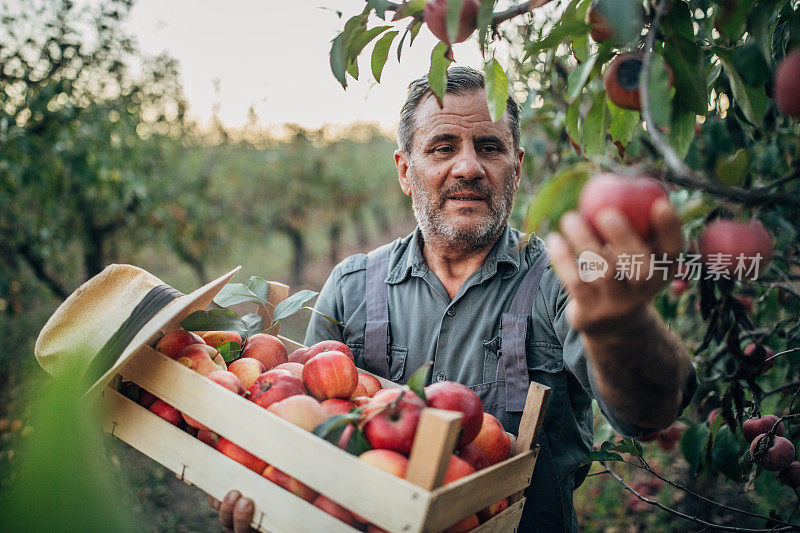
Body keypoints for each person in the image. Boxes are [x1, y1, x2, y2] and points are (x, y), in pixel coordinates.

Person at [212, 66, 696, 532]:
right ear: (405, 171)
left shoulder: (562, 281)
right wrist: (271, 502)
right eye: (443, 148)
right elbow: (309, 437)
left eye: (489, 147)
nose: (468, 166)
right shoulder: (351, 286)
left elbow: (647, 414)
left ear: (517, 167)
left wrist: (625, 329)